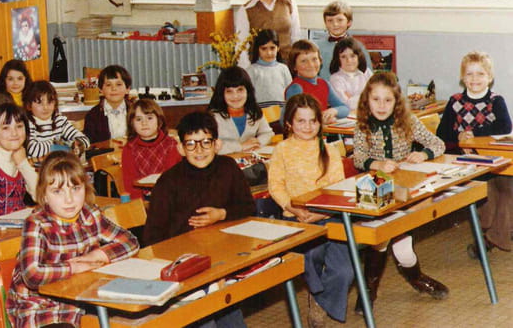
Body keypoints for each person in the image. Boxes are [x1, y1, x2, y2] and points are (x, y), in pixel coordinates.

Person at [143, 111, 254, 327]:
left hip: (223, 257)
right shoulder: (168, 181)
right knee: (206, 317)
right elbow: (152, 236)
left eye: (205, 142)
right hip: (184, 263)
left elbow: (248, 207)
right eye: (191, 144)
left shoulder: (228, 168)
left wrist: (222, 214)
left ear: (217, 144)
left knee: (228, 305)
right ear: (180, 148)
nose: (199, 150)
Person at [7, 151, 139, 327]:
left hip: (80, 300)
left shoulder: (90, 215)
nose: (69, 199)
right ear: (44, 195)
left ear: (86, 187)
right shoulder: (38, 224)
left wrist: (95, 256)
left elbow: (130, 242)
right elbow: (32, 274)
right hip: (41, 309)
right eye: (57, 191)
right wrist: (74, 267)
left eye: (75, 189)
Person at [353, 71, 448, 311]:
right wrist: (377, 164)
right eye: (376, 99)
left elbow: (438, 144)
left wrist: (423, 154)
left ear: (396, 102)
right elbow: (358, 158)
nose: (381, 105)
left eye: (388, 100)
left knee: (403, 248)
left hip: (404, 189)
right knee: (380, 239)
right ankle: (368, 292)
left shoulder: (408, 121)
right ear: (367, 100)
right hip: (374, 189)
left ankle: (416, 278)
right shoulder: (363, 125)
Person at [267, 94, 353, 327]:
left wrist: (321, 213)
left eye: (313, 121)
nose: (307, 126)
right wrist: (292, 208)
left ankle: (320, 300)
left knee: (345, 271)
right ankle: (316, 292)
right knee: (310, 256)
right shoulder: (282, 150)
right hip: (297, 218)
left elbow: (337, 189)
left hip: (330, 216)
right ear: (289, 124)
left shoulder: (329, 150)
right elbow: (276, 185)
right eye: (301, 121)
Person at [435, 52, 512, 257]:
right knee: (487, 191)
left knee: (508, 188)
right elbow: (442, 133)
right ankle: (490, 232)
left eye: (480, 74)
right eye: (470, 74)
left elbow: (505, 126)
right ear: (462, 77)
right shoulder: (455, 101)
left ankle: (493, 236)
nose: (475, 79)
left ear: (490, 77)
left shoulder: (496, 100)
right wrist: (460, 136)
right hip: (468, 162)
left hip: (495, 160)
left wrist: (474, 133)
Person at [234, 0, 301, 66]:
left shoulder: (288, 2)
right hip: (260, 68)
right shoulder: (245, 10)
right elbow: (241, 47)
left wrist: (296, 65)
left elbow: (296, 37)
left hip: (288, 65)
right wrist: (249, 72)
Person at [121, 98, 182, 200]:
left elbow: (171, 180)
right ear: (132, 123)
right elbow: (130, 184)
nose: (144, 123)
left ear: (159, 121)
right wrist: (140, 205)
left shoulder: (171, 145)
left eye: (149, 118)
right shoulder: (129, 148)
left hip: (169, 197)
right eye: (138, 119)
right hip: (143, 199)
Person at [208, 66, 273, 154]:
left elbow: (268, 133)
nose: (235, 96)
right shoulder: (213, 117)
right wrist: (240, 146)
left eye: (240, 90)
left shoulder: (254, 111)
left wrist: (257, 143)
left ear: (248, 91)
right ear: (221, 94)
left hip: (248, 157)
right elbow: (211, 145)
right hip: (224, 160)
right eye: (229, 91)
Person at [285, 39, 349, 124]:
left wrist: (333, 111)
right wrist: (321, 119)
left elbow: (344, 108)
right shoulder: (296, 88)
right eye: (304, 61)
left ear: (320, 61)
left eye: (314, 59)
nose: (311, 65)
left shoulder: (324, 84)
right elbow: (294, 119)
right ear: (294, 66)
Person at [24, 80, 90, 159]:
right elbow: (33, 150)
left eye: (49, 102)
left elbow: (85, 140)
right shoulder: (27, 124)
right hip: (37, 165)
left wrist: (76, 145)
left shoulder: (59, 121)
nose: (45, 107)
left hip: (58, 163)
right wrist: (60, 146)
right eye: (39, 103)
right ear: (28, 105)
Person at [314, 1, 369, 82]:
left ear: (349, 22)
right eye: (330, 20)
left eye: (340, 20)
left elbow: (367, 73)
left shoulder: (358, 46)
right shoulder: (317, 47)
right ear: (325, 23)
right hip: (324, 87)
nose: (335, 24)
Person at [83, 65, 132, 144]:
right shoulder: (93, 116)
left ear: (128, 89)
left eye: (118, 84)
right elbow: (91, 144)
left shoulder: (136, 111)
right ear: (101, 90)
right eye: (108, 85)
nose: (114, 88)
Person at [245, 29, 291, 108]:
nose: (269, 53)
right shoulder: (252, 70)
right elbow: (248, 96)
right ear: (257, 49)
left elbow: (290, 93)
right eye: (264, 48)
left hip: (281, 112)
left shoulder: (283, 69)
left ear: (278, 48)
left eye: (272, 48)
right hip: (260, 113)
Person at [328, 37, 372, 110]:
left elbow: (376, 98)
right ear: (337, 59)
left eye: (352, 56)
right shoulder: (335, 79)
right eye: (343, 57)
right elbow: (345, 105)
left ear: (359, 57)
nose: (349, 60)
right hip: (347, 116)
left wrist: (351, 98)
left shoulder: (367, 73)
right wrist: (366, 95)